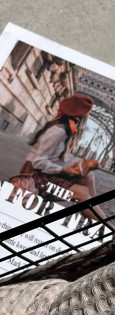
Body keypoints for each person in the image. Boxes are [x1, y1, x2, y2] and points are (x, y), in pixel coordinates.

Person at [10, 93, 105, 221]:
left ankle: (96, 215)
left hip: (44, 174)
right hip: (36, 177)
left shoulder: (63, 130)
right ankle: (107, 228)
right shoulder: (57, 131)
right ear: (80, 117)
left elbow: (54, 158)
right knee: (82, 193)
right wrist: (63, 170)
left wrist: (75, 165)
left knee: (88, 176)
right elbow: (38, 162)